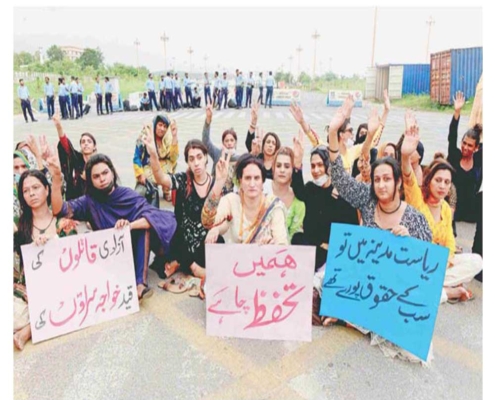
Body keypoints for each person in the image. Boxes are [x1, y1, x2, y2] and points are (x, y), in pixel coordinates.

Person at [327, 104, 433, 362]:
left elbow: (426, 265)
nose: (382, 184)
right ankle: (355, 316)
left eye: (387, 179)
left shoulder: (415, 217)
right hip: (366, 285)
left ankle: (364, 321)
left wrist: (408, 241)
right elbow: (341, 179)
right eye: (377, 179)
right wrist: (332, 133)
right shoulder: (367, 198)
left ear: (398, 182)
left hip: (395, 293)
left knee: (414, 352)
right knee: (326, 287)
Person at [47, 150, 177, 301]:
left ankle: (140, 285)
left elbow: (153, 216)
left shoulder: (127, 194)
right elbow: (59, 210)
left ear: (112, 173)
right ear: (90, 180)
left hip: (138, 250)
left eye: (105, 173)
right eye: (96, 176)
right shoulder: (89, 202)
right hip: (112, 258)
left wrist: (129, 226)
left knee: (143, 227)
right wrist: (56, 180)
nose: (102, 179)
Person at [400, 111, 482, 303]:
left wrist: (445, 262)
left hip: (437, 266)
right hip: (415, 263)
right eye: (438, 180)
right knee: (413, 278)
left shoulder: (445, 208)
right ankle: (446, 291)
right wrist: (405, 156)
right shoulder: (417, 199)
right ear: (429, 181)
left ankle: (434, 287)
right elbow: (407, 177)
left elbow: (450, 245)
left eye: (447, 182)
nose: (442, 186)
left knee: (477, 261)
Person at [13, 170, 78, 351]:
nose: (31, 193)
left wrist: (52, 244)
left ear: (47, 190)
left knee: (64, 302)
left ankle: (28, 331)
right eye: (26, 191)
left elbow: (76, 258)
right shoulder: (20, 225)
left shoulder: (62, 224)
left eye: (35, 187)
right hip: (29, 289)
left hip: (60, 285)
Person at [143, 133, 221, 280]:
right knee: (180, 244)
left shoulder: (216, 183)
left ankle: (179, 263)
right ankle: (192, 267)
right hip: (183, 238)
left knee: (219, 243)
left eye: (199, 157)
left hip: (205, 239)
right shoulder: (183, 180)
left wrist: (216, 229)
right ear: (187, 162)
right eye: (191, 159)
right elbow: (160, 178)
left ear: (206, 158)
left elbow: (225, 217)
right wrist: (153, 154)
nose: (196, 163)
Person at [291, 140, 358, 270]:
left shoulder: (340, 192)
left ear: (328, 166)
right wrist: (298, 162)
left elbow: (351, 227)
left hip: (335, 251)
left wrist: (331, 245)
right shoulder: (311, 189)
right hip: (314, 247)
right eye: (313, 166)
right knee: (297, 238)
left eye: (320, 165)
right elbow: (298, 190)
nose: (316, 170)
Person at [202, 152, 288, 245]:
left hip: (266, 258)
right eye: (247, 178)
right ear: (240, 181)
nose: (252, 184)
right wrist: (219, 182)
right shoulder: (232, 201)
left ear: (262, 181)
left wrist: (271, 246)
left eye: (256, 178)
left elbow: (282, 246)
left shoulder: (273, 206)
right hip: (236, 258)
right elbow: (207, 222)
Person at [202, 102, 254, 194]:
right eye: (226, 141)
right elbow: (206, 142)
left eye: (232, 140)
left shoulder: (240, 158)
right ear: (223, 143)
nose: (229, 143)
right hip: (215, 191)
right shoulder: (217, 153)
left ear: (236, 142)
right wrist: (208, 121)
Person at [447, 91, 482, 223]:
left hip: (470, 213)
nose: (466, 147)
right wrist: (457, 112)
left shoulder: (479, 160)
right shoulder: (455, 155)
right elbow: (452, 136)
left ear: (476, 148)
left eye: (470, 145)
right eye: (464, 143)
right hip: (453, 209)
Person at [133, 115, 178, 205]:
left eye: (165, 126)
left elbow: (174, 158)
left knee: (170, 165)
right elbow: (136, 157)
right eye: (160, 125)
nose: (162, 129)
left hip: (162, 168)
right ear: (155, 125)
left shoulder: (168, 139)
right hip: (148, 166)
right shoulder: (145, 137)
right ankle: (152, 188)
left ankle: (166, 190)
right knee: (143, 191)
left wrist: (174, 137)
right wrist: (140, 174)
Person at [54, 113, 97, 200]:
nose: (86, 144)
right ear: (80, 145)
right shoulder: (76, 158)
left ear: (94, 146)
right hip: (75, 200)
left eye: (89, 141)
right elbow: (65, 144)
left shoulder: (99, 162)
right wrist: (59, 126)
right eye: (83, 142)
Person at [268, 146, 306, 242]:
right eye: (278, 165)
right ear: (273, 168)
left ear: (292, 169)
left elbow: (293, 237)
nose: (282, 170)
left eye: (287, 166)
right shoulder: (263, 189)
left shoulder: (299, 203)